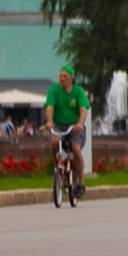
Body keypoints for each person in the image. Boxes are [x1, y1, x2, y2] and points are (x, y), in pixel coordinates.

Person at [42, 66, 92, 201]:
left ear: (71, 78)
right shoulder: (54, 90)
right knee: (54, 142)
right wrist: (50, 122)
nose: (62, 78)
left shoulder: (78, 91)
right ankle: (57, 165)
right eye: (60, 76)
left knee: (76, 150)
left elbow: (83, 109)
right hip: (58, 125)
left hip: (74, 126)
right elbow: (50, 107)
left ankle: (81, 183)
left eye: (65, 76)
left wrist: (80, 123)